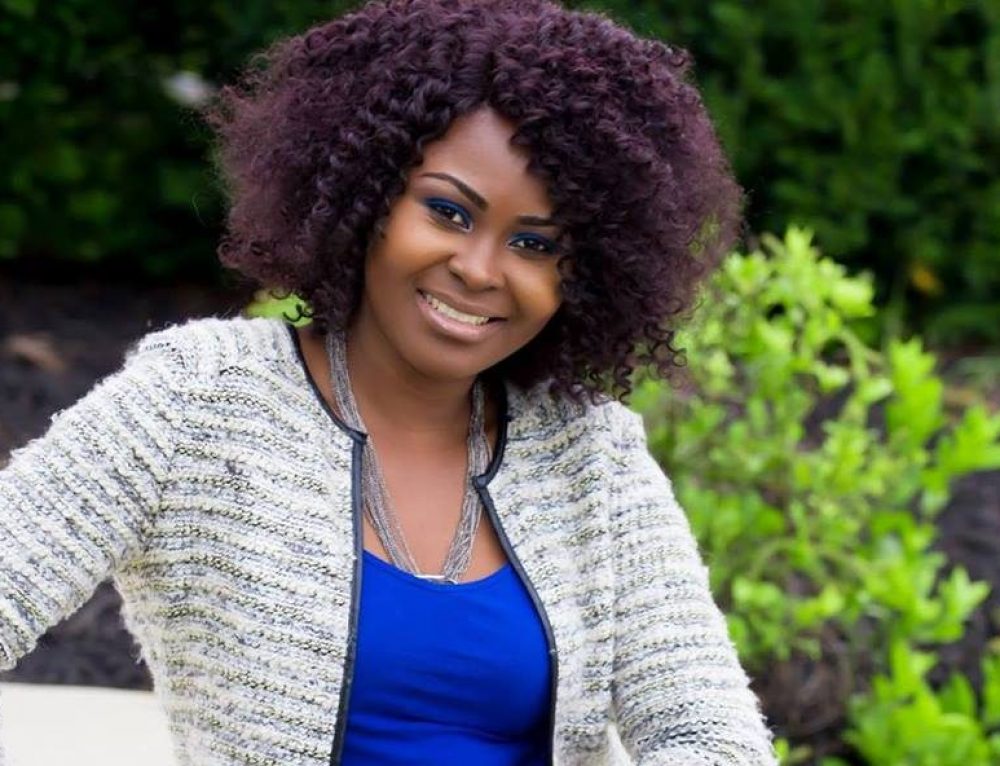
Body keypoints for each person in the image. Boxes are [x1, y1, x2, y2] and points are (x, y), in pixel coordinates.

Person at [0, 0, 778, 763]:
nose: (479, 269)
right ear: (368, 195)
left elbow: (712, 737)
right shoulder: (200, 400)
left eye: (536, 245)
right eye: (448, 212)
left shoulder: (589, 452)